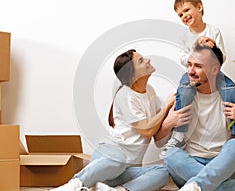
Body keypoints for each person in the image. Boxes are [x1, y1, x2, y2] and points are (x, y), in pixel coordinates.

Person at [52, 49, 192, 191]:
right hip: (111, 156)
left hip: (127, 167)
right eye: (141, 61)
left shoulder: (150, 91)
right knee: (119, 159)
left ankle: (117, 190)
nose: (148, 60)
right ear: (132, 74)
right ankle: (74, 185)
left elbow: (157, 136)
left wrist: (171, 121)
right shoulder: (125, 95)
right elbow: (147, 130)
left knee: (162, 173)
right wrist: (166, 106)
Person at [160, 44, 235, 191]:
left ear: (215, 70)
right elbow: (158, 140)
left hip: (226, 165)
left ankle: (197, 185)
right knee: (171, 154)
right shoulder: (180, 98)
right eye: (189, 65)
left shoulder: (232, 97)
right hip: (189, 164)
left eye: (198, 66)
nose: (190, 71)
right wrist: (168, 123)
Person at [159, 0, 235, 158]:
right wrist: (196, 47)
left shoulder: (213, 31)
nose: (184, 16)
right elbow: (183, 58)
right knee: (183, 91)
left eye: (186, 10)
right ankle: (179, 136)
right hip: (192, 75)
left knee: (232, 90)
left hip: (213, 73)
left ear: (199, 7)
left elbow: (222, 58)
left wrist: (212, 50)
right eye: (180, 15)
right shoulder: (184, 36)